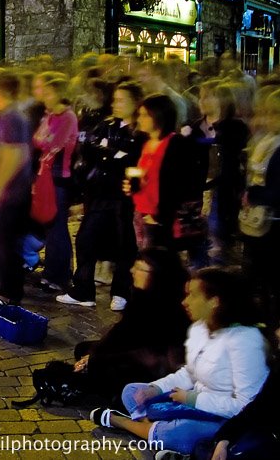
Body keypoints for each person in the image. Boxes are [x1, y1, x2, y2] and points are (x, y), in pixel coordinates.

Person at [91, 268, 269, 457]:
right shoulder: (200, 327)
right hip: (192, 402)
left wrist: (192, 400)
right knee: (132, 392)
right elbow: (189, 373)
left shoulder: (245, 340)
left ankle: (123, 422)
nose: (185, 302)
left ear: (214, 302)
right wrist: (156, 389)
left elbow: (246, 405)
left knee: (178, 433)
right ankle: (152, 428)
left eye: (193, 295)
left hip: (224, 418)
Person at [59, 81, 144, 310]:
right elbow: (92, 150)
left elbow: (132, 161)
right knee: (86, 239)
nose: (116, 104)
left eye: (121, 100)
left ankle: (121, 291)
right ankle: (83, 289)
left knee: (124, 244)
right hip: (100, 193)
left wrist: (113, 155)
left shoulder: (139, 132)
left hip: (123, 196)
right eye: (115, 99)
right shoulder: (106, 126)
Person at [71, 247, 189, 403]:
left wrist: (97, 359)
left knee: (102, 364)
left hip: (158, 366)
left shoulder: (169, 305)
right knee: (84, 349)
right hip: (137, 353)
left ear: (157, 274)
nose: (132, 270)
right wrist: (93, 354)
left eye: (140, 268)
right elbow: (122, 332)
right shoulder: (142, 296)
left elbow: (147, 350)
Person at [125, 94, 208, 262]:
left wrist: (161, 215)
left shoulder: (176, 145)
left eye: (145, 115)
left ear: (159, 116)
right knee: (146, 260)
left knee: (159, 263)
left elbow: (178, 183)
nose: (139, 119)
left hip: (162, 218)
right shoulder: (146, 143)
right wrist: (134, 186)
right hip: (143, 212)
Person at [0, 69, 32, 307]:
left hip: (9, 194)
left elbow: (16, 154)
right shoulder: (9, 117)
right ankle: (6, 287)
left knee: (6, 244)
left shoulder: (12, 117)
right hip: (10, 192)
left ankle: (10, 293)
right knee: (4, 243)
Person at [32, 73, 79, 293]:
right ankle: (52, 269)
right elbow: (38, 139)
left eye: (49, 93)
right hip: (47, 173)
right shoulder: (50, 116)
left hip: (60, 174)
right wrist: (45, 138)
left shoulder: (68, 117)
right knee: (50, 223)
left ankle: (60, 274)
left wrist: (45, 139)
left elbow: (54, 143)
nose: (45, 97)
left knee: (58, 223)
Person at [195, 81, 250, 266]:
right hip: (198, 189)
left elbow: (235, 158)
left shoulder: (235, 128)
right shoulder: (194, 127)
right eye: (200, 96)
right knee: (198, 237)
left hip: (222, 190)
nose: (202, 100)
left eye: (208, 96)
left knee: (218, 237)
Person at [242, 89, 280, 323]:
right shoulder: (267, 142)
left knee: (271, 277)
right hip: (261, 221)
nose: (266, 119)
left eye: (273, 114)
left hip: (273, 224)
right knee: (262, 277)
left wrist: (254, 193)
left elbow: (276, 191)